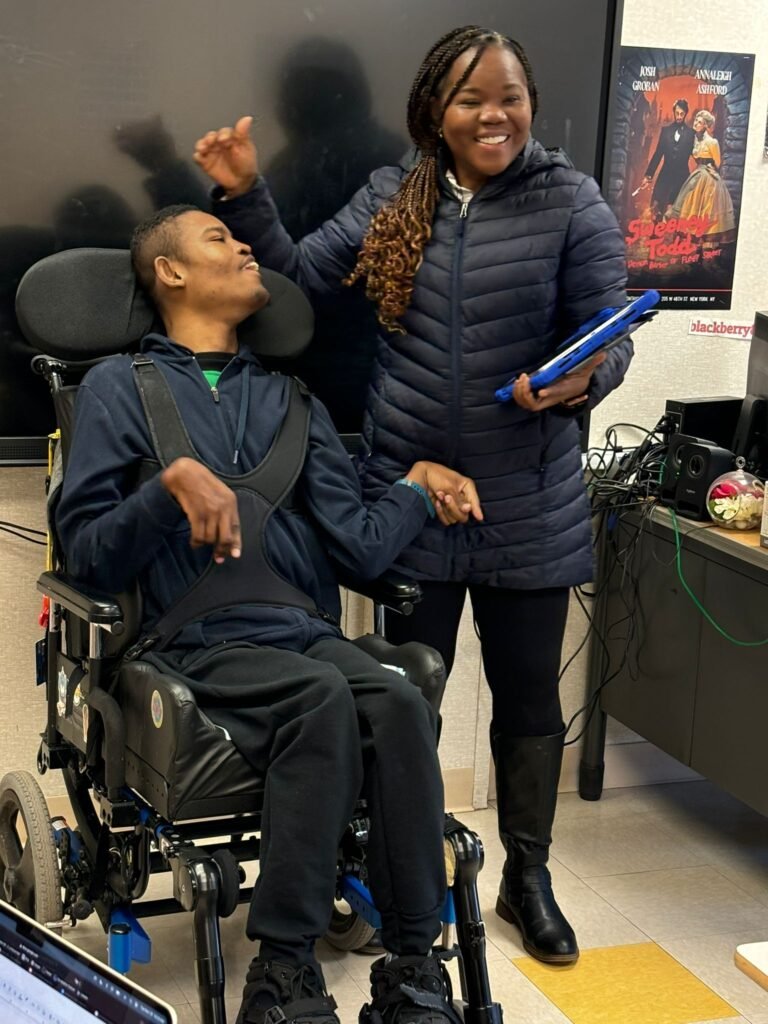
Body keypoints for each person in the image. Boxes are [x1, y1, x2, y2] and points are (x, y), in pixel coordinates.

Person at [194, 24, 631, 966]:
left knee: (528, 704)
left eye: (509, 95)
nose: (494, 115)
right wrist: (244, 192)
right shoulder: (396, 194)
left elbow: (611, 332)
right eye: (471, 98)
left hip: (530, 499)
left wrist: (584, 380)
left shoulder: (572, 201)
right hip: (408, 497)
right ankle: (404, 879)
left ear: (531, 100)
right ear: (435, 108)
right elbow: (302, 280)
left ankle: (530, 876)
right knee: (404, 701)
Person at [55, 203, 484, 1024]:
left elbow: (358, 547)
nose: (245, 244)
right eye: (219, 237)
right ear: (169, 272)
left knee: (397, 695)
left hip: (301, 635)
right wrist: (166, 489)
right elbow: (87, 557)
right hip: (191, 641)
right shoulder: (118, 390)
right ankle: (281, 975)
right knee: (320, 697)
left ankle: (414, 968)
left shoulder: (297, 402)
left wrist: (414, 488)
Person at [671, 109, 735, 244]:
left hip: (709, 178)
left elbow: (717, 162)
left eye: (699, 122)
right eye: (695, 120)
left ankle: (706, 247)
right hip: (697, 174)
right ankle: (693, 245)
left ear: (706, 125)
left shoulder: (712, 142)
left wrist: (709, 167)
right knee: (691, 204)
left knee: (706, 209)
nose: (695, 123)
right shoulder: (695, 140)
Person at [641, 99, 695, 219]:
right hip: (665, 175)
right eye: (677, 113)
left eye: (682, 114)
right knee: (657, 208)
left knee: (678, 212)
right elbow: (658, 154)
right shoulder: (666, 131)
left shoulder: (691, 134)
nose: (679, 117)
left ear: (685, 113)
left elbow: (696, 155)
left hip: (682, 177)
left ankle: (676, 236)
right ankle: (655, 234)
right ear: (674, 112)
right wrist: (648, 175)